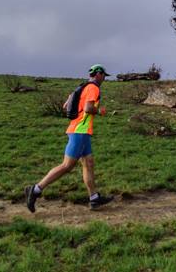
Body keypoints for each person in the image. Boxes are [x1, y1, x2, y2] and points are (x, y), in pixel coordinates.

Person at [24, 64, 113, 211]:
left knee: (88, 163)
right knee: (67, 166)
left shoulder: (82, 87)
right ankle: (35, 190)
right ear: (98, 74)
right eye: (104, 75)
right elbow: (88, 108)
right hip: (80, 131)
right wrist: (100, 111)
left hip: (81, 131)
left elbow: (66, 106)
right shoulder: (93, 88)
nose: (104, 78)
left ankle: (94, 198)